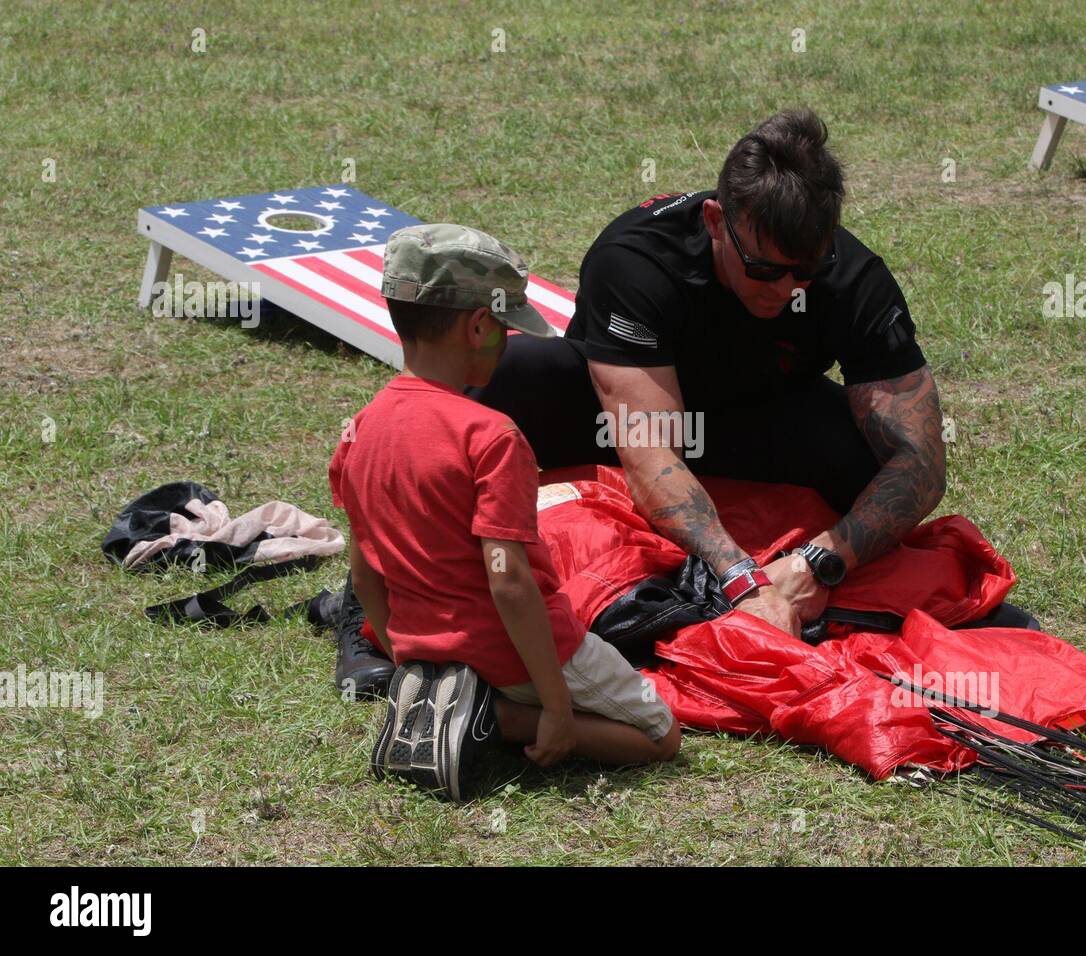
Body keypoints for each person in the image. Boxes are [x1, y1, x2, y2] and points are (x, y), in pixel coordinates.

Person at [472, 107, 1040, 639]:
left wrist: (819, 562)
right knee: (513, 375)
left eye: (807, 270)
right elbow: (651, 454)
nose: (787, 288)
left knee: (873, 456)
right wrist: (741, 577)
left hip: (760, 414)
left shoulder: (853, 278)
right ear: (718, 222)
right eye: (765, 268)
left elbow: (922, 464)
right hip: (633, 423)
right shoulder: (639, 260)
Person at [328, 224, 681, 800]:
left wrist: (404, 656)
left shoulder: (359, 431)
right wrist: (558, 707)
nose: (510, 342)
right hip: (514, 653)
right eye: (506, 329)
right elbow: (508, 581)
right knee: (660, 736)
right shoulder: (491, 435)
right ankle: (494, 717)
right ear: (477, 326)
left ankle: (451, 695)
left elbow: (366, 574)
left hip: (427, 648)